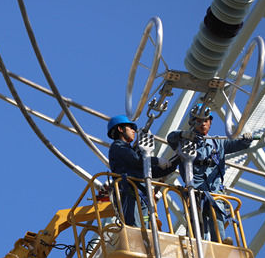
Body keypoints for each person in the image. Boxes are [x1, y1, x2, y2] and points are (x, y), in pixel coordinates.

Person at [166, 103, 254, 243]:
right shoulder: (184, 142)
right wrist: (184, 134)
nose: (203, 124)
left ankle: (220, 241)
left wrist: (246, 140)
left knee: (217, 213)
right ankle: (199, 244)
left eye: (206, 121)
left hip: (214, 188)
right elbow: (171, 137)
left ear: (210, 123)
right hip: (195, 188)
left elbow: (238, 145)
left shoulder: (218, 143)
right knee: (198, 219)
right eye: (199, 121)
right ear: (192, 122)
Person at [107, 114, 175, 227]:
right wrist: (155, 160)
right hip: (129, 193)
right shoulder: (117, 146)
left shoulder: (130, 151)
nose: (134, 131)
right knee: (135, 228)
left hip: (142, 197)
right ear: (120, 129)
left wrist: (175, 162)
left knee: (146, 229)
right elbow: (136, 161)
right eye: (130, 128)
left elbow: (153, 172)